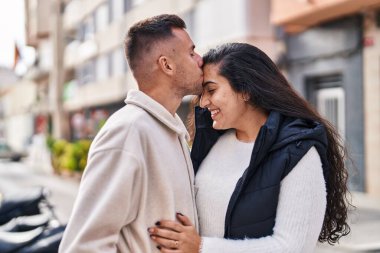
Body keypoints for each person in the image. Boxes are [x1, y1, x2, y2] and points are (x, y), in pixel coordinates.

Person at [148, 43, 351, 252]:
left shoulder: (298, 152)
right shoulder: (210, 142)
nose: (203, 102)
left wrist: (201, 247)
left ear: (245, 90)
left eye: (211, 90)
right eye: (202, 94)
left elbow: (292, 247)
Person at [59, 14, 203, 253]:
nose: (200, 59)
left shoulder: (169, 129)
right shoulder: (127, 132)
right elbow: (81, 247)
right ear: (166, 64)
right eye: (191, 53)